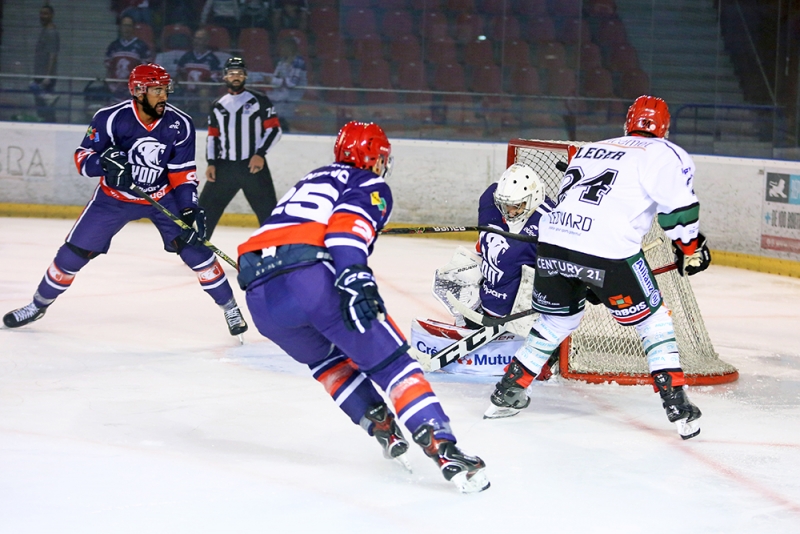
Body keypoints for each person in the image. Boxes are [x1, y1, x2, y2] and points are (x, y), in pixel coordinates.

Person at [236, 121, 489, 493]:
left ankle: (380, 424)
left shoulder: (313, 177)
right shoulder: (369, 183)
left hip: (261, 298)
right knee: (394, 365)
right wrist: (355, 278)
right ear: (374, 158)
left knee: (328, 363)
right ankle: (443, 446)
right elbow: (345, 228)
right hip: (311, 280)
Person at [485, 95, 712, 440]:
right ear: (665, 128)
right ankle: (676, 403)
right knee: (654, 321)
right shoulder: (666, 153)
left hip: (554, 241)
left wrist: (585, 274)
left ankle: (508, 390)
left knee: (556, 321)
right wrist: (691, 248)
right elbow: (678, 212)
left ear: (627, 123)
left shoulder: (592, 149)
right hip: (608, 249)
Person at [3, 63, 248, 341]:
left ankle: (230, 308)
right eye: (157, 90)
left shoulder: (180, 123)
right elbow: (82, 159)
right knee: (72, 254)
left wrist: (190, 209)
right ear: (138, 91)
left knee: (197, 253)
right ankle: (37, 306)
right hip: (113, 199)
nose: (163, 96)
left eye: (165, 90)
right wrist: (104, 164)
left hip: (162, 197)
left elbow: (182, 173)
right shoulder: (109, 118)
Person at [413, 163, 557, 376]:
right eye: (506, 206)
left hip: (519, 315)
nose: (510, 212)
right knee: (456, 272)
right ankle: (472, 320)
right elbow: (483, 246)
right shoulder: (491, 200)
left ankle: (536, 348)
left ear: (533, 199)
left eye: (517, 206)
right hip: (487, 298)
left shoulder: (550, 224)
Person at [199, 57, 280, 238]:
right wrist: (211, 163)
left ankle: (276, 249)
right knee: (205, 211)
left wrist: (260, 154)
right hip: (224, 168)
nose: (236, 76)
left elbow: (274, 130)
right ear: (225, 77)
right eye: (232, 73)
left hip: (253, 167)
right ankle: (197, 248)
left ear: (245, 76)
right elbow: (213, 137)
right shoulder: (218, 105)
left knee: (268, 214)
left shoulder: (259, 100)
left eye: (239, 73)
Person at [176, 29, 222, 120]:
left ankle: (204, 123)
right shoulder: (186, 56)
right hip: (187, 91)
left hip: (204, 92)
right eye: (196, 38)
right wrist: (183, 86)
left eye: (200, 39)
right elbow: (179, 74)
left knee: (203, 93)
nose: (197, 41)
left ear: (206, 41)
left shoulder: (213, 59)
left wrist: (202, 87)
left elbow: (215, 80)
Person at [105, 15, 153, 99]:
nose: (126, 28)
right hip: (115, 91)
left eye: (129, 26)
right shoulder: (113, 46)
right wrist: (111, 86)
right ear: (120, 27)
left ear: (133, 27)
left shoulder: (142, 46)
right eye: (124, 25)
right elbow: (109, 69)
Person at [267, 36, 307, 132]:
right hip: (281, 96)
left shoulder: (298, 62)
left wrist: (273, 81)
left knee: (282, 120)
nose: (280, 50)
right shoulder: (282, 62)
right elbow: (276, 76)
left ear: (289, 48)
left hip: (291, 98)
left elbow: (291, 83)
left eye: (283, 47)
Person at [31, 4, 60, 122]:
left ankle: (50, 125)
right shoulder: (44, 31)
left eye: (46, 13)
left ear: (52, 15)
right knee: (41, 108)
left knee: (46, 108)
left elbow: (52, 55)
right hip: (39, 75)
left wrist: (48, 76)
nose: (42, 16)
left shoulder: (51, 33)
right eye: (41, 13)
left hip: (45, 77)